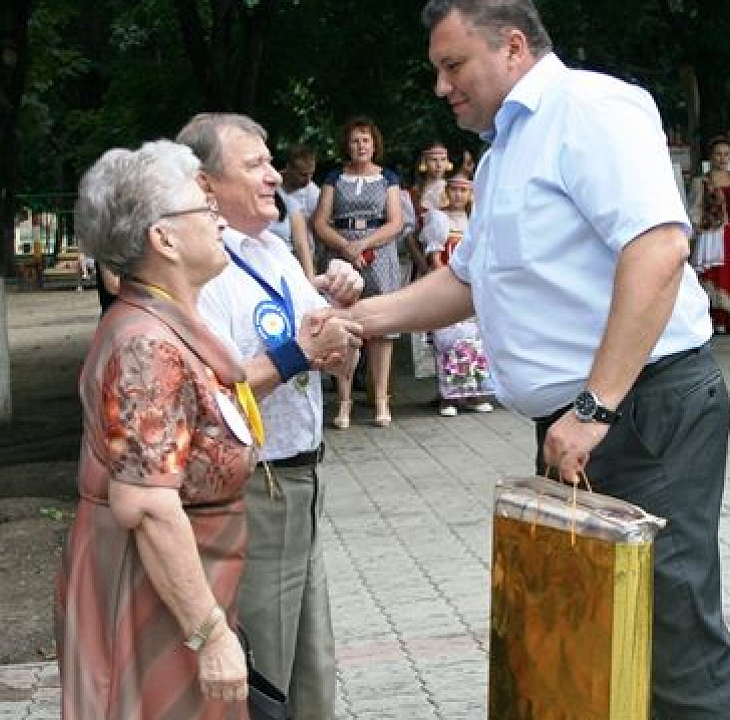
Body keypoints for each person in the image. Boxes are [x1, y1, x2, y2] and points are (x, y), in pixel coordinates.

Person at [348, 2, 730, 718]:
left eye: (453, 65)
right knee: (596, 646)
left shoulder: (589, 109)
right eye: (437, 70)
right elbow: (465, 281)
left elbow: (658, 248)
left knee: (672, 652)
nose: (442, 87)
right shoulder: (505, 150)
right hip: (585, 424)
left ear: (512, 46)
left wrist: (595, 406)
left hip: (638, 412)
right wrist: (354, 320)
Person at [55, 139, 259, 719]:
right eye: (204, 207)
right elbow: (146, 504)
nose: (220, 219)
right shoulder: (147, 346)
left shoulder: (159, 323)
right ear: (163, 238)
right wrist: (210, 633)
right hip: (152, 592)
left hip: (172, 582)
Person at [178, 112, 365, 720]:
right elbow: (208, 393)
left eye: (270, 161)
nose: (274, 175)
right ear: (205, 185)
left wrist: (342, 320)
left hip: (300, 484)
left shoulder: (273, 252)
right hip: (254, 493)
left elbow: (335, 357)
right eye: (254, 164)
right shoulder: (201, 272)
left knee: (311, 675)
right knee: (261, 677)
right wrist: (298, 352)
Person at [311, 116, 406, 429]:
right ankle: (344, 403)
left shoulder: (388, 178)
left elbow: (396, 222)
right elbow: (320, 222)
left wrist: (364, 244)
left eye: (366, 140)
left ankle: (380, 400)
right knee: (342, 322)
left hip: (380, 252)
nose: (361, 146)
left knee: (382, 326)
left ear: (375, 144)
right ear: (347, 146)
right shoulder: (334, 178)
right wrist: (345, 246)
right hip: (341, 251)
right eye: (355, 140)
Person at [419, 173, 494, 415]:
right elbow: (435, 257)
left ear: (471, 194)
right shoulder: (439, 219)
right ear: (446, 192)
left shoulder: (476, 220)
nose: (458, 195)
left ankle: (474, 393)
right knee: (449, 340)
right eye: (454, 190)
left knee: (475, 342)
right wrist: (447, 280)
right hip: (449, 282)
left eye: (464, 190)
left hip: (473, 285)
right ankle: (449, 397)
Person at [689, 136, 730, 334]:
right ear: (711, 156)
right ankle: (717, 319)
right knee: (716, 276)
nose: (722, 158)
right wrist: (697, 228)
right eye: (718, 154)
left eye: (726, 154)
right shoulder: (701, 181)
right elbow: (695, 208)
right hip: (713, 235)